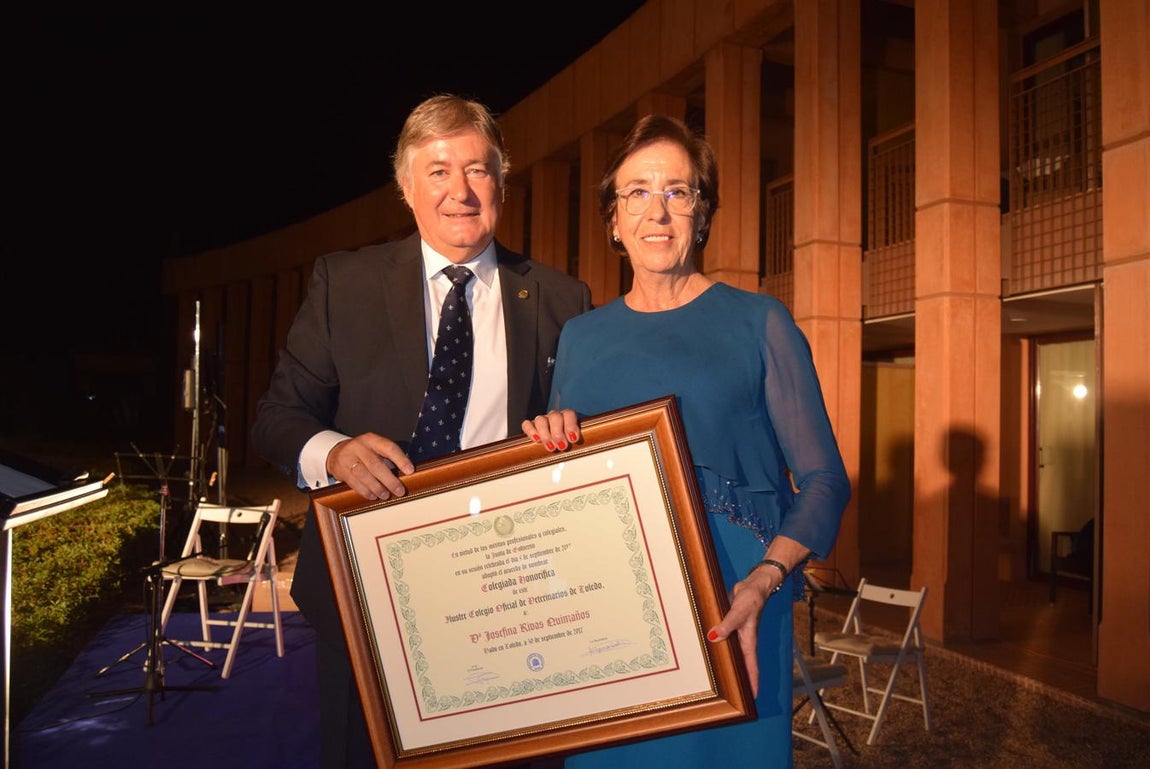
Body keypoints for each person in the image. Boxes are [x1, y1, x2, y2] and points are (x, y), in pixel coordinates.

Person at [250, 93, 592, 769]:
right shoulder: (344, 283)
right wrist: (335, 453)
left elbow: (578, 441)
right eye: (438, 171)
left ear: (502, 183)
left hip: (510, 600)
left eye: (477, 170)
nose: (459, 191)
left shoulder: (561, 298)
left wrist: (570, 434)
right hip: (367, 593)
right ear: (406, 187)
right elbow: (277, 418)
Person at [521, 114, 850, 768]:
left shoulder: (759, 321)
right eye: (637, 192)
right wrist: (547, 444)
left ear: (702, 214)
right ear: (613, 219)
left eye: (678, 191)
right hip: (610, 621)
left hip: (734, 610)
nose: (658, 211)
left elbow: (825, 482)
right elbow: (562, 495)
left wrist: (764, 581)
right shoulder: (580, 337)